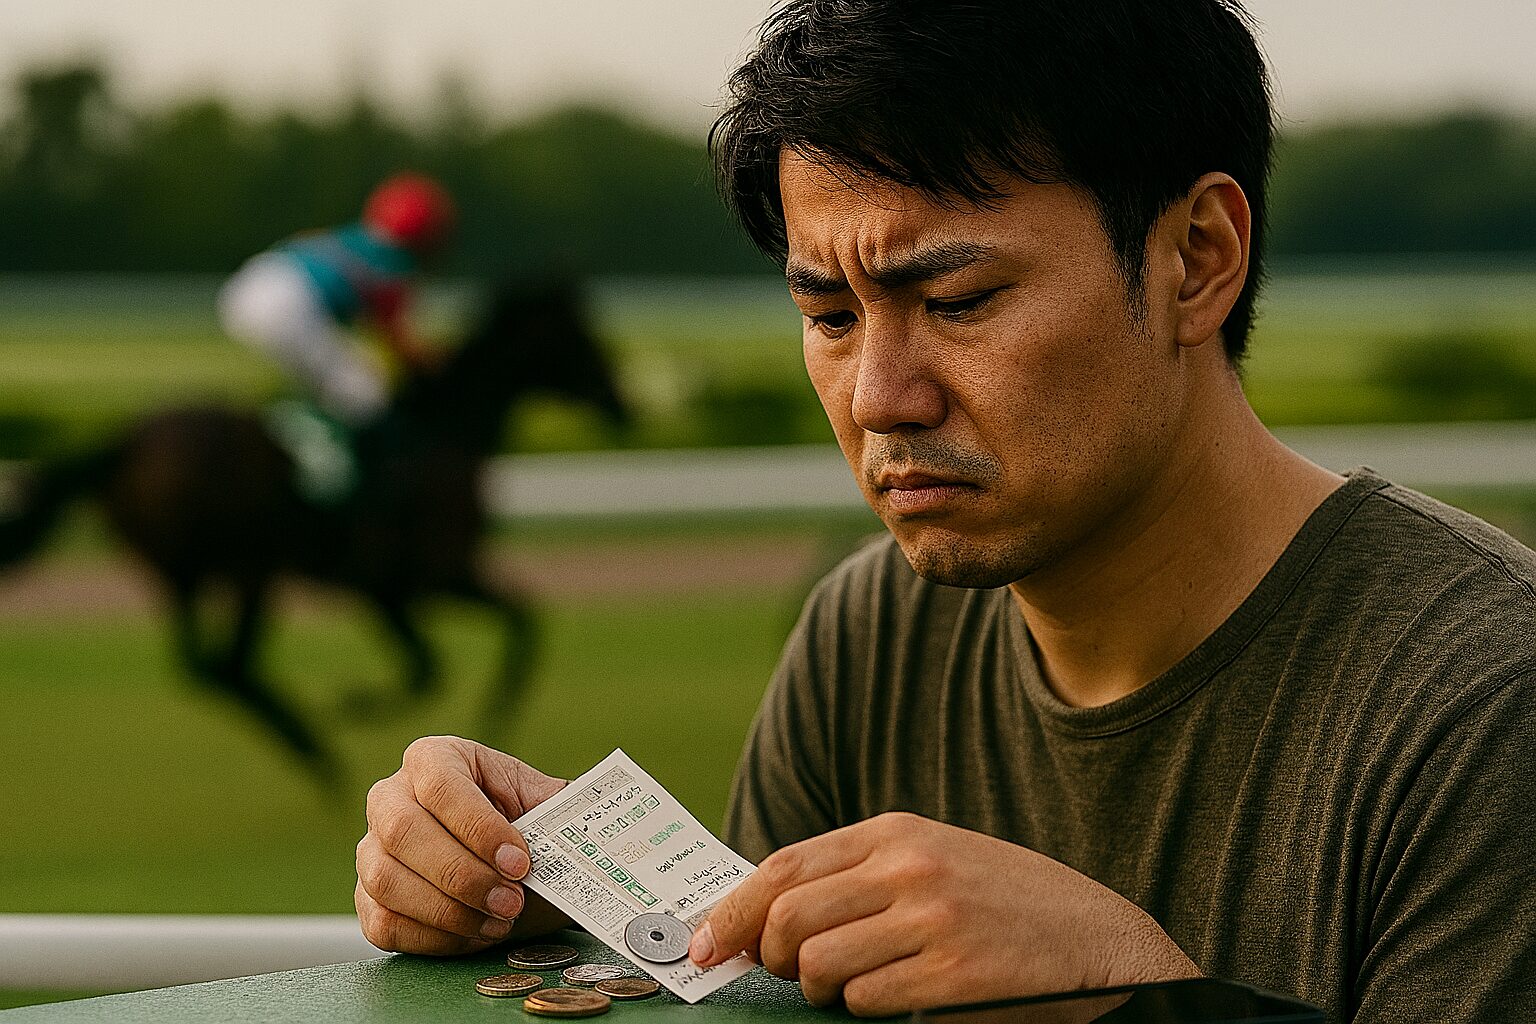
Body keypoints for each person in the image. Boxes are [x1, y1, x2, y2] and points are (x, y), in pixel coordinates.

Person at [351, 3, 1536, 1021]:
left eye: (960, 299)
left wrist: (1127, 992)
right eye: (829, 315)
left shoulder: (1488, 701)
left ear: (1197, 258)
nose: (879, 396)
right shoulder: (866, 636)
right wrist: (557, 907)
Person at [218, 172, 453, 427]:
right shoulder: (394, 262)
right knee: (367, 397)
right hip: (289, 304)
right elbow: (397, 343)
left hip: (247, 285)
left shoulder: (353, 236)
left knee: (330, 385)